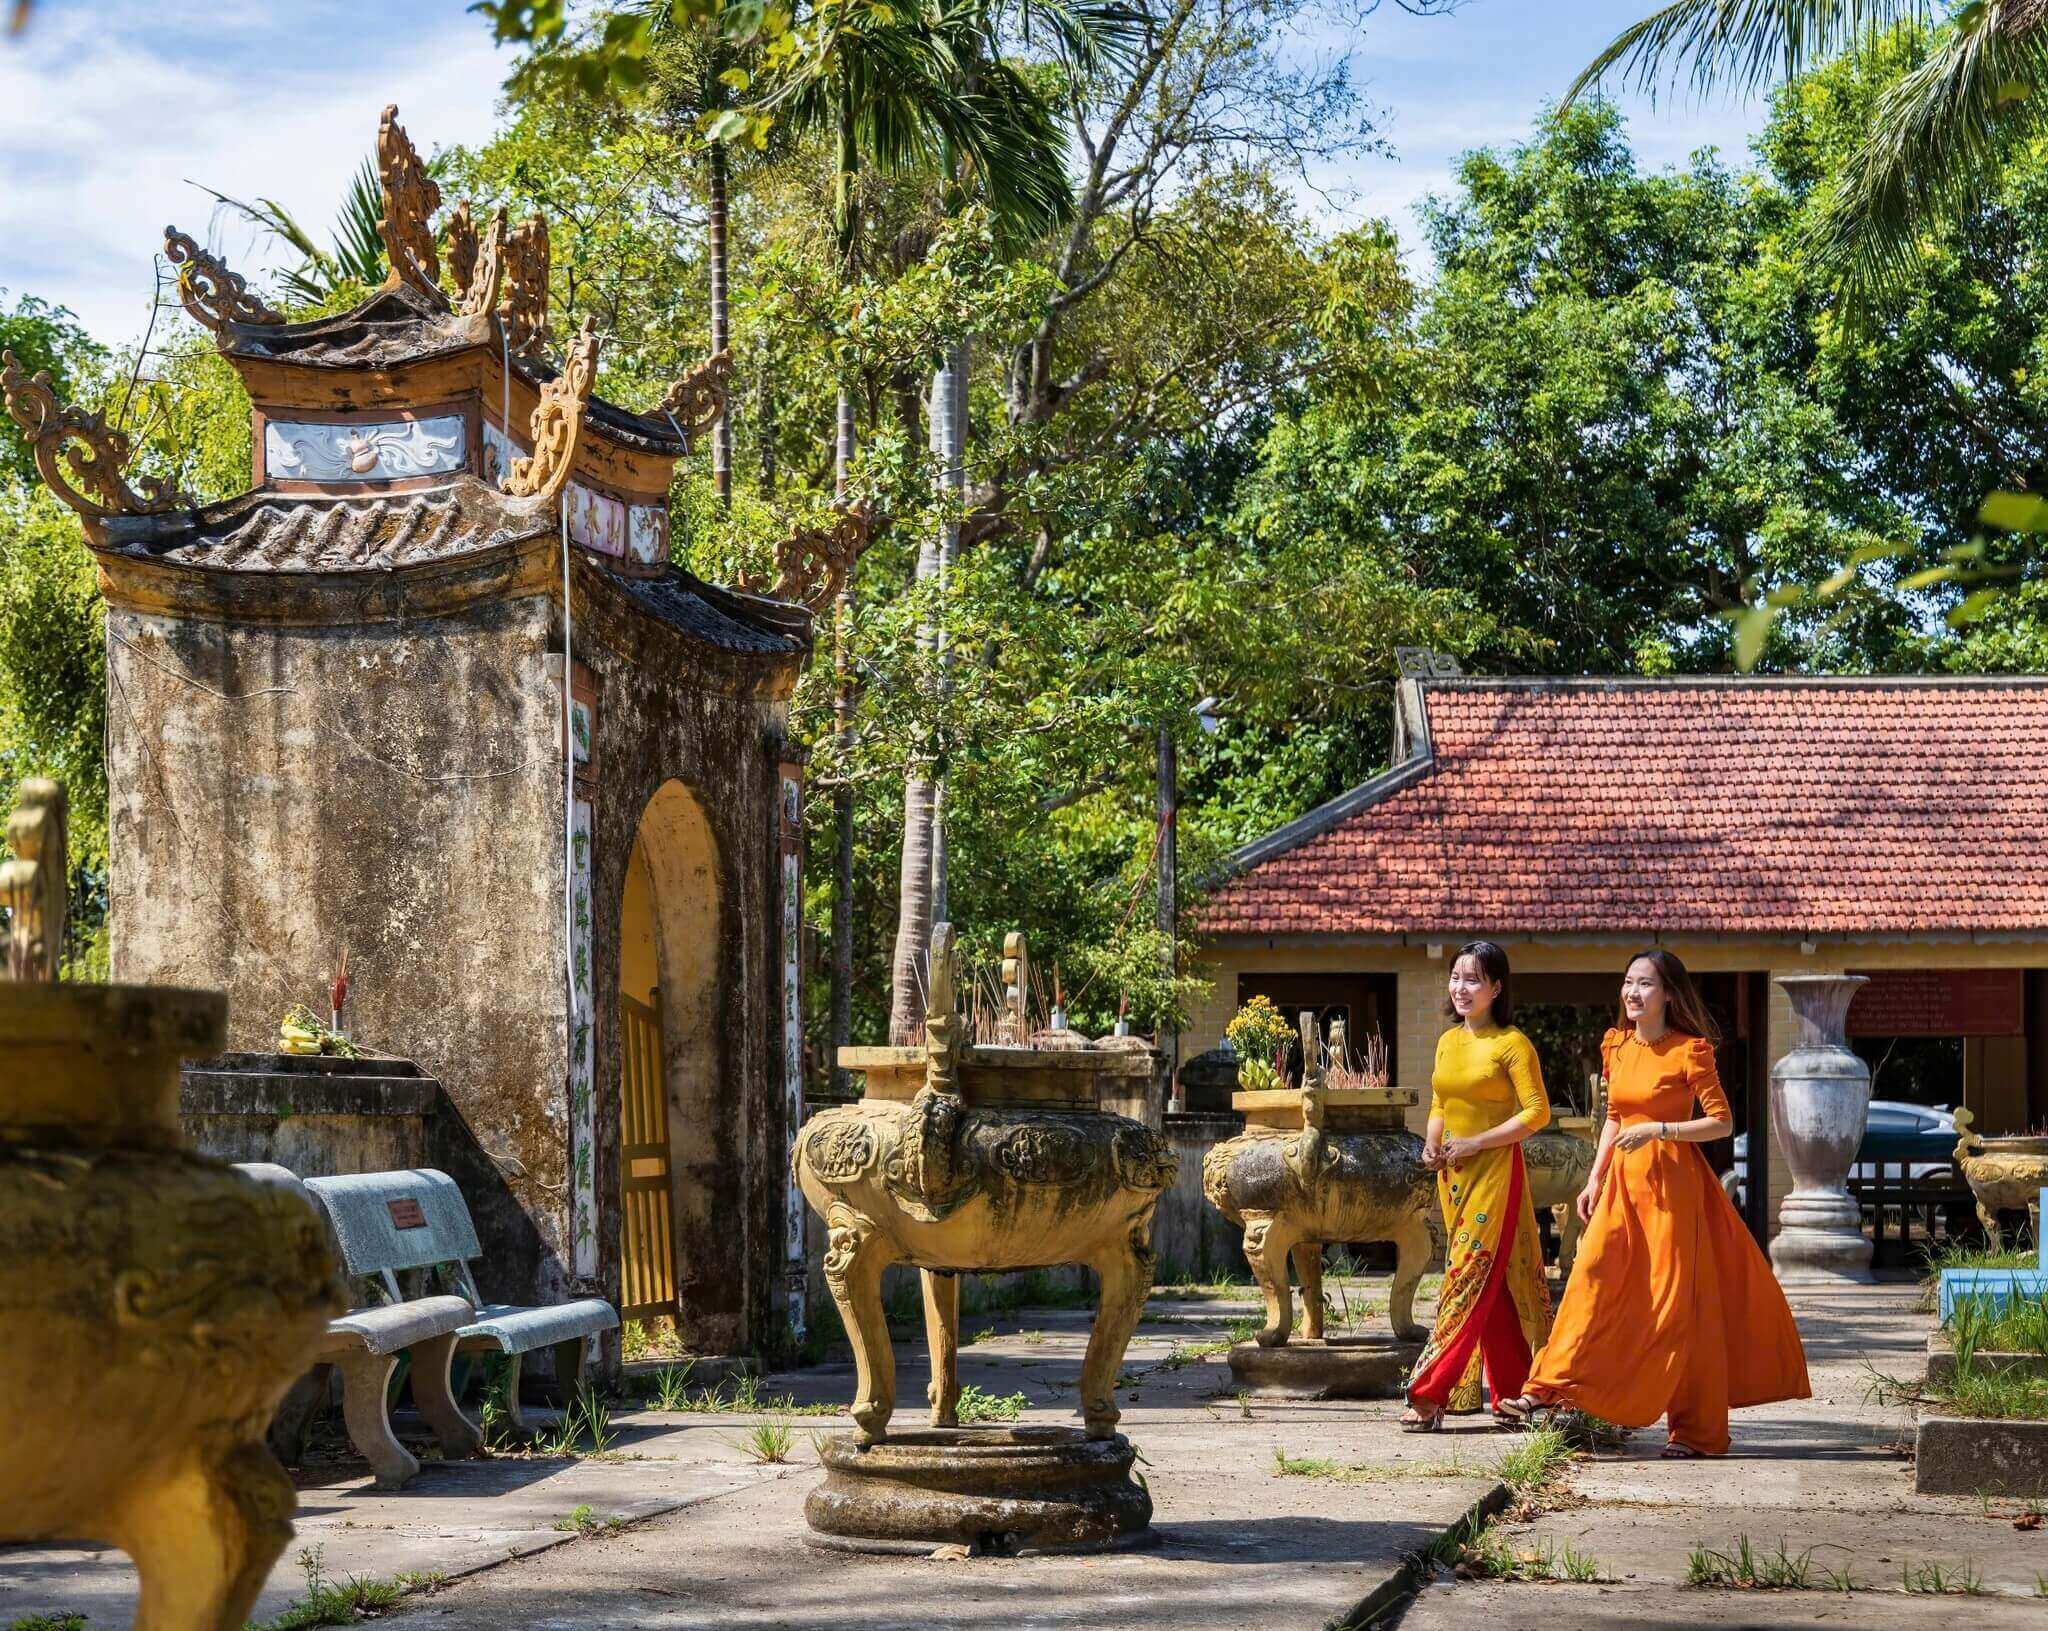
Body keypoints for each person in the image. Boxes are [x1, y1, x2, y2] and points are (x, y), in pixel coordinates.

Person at [1498, 950, 1809, 1457]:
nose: (1633, 993)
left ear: (1669, 994)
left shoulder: (1690, 1051)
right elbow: (1616, 1118)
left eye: (1645, 984)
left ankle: (1693, 1431)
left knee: (1673, 1307)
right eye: (1628, 983)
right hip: (1621, 1187)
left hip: (1673, 1191)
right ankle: (1545, 1390)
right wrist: (1593, 1179)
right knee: (1590, 1279)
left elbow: (1722, 1122)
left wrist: (1661, 1130)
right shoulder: (1616, 1046)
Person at [1401, 941, 1552, 1431]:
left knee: (1465, 1277)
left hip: (1496, 1175)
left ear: (1496, 987)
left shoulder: (1512, 1044)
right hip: (1453, 1177)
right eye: (1456, 978)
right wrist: (1432, 1143)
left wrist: (1478, 1143)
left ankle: (1429, 1392)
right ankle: (1513, 1392)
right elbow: (1440, 1103)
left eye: (1473, 980)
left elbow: (1537, 1113)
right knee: (1492, 1286)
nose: (1461, 989)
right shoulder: (1448, 1041)